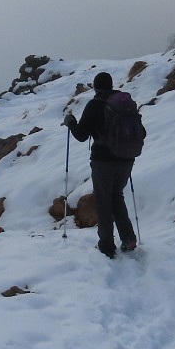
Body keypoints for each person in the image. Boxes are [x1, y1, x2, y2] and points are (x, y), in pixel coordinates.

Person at [63, 71, 139, 258]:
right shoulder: (123, 104)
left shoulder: (95, 105)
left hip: (104, 161)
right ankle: (128, 238)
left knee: (104, 202)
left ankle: (106, 245)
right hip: (126, 159)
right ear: (111, 85)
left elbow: (81, 135)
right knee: (116, 197)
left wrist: (71, 122)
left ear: (96, 87)